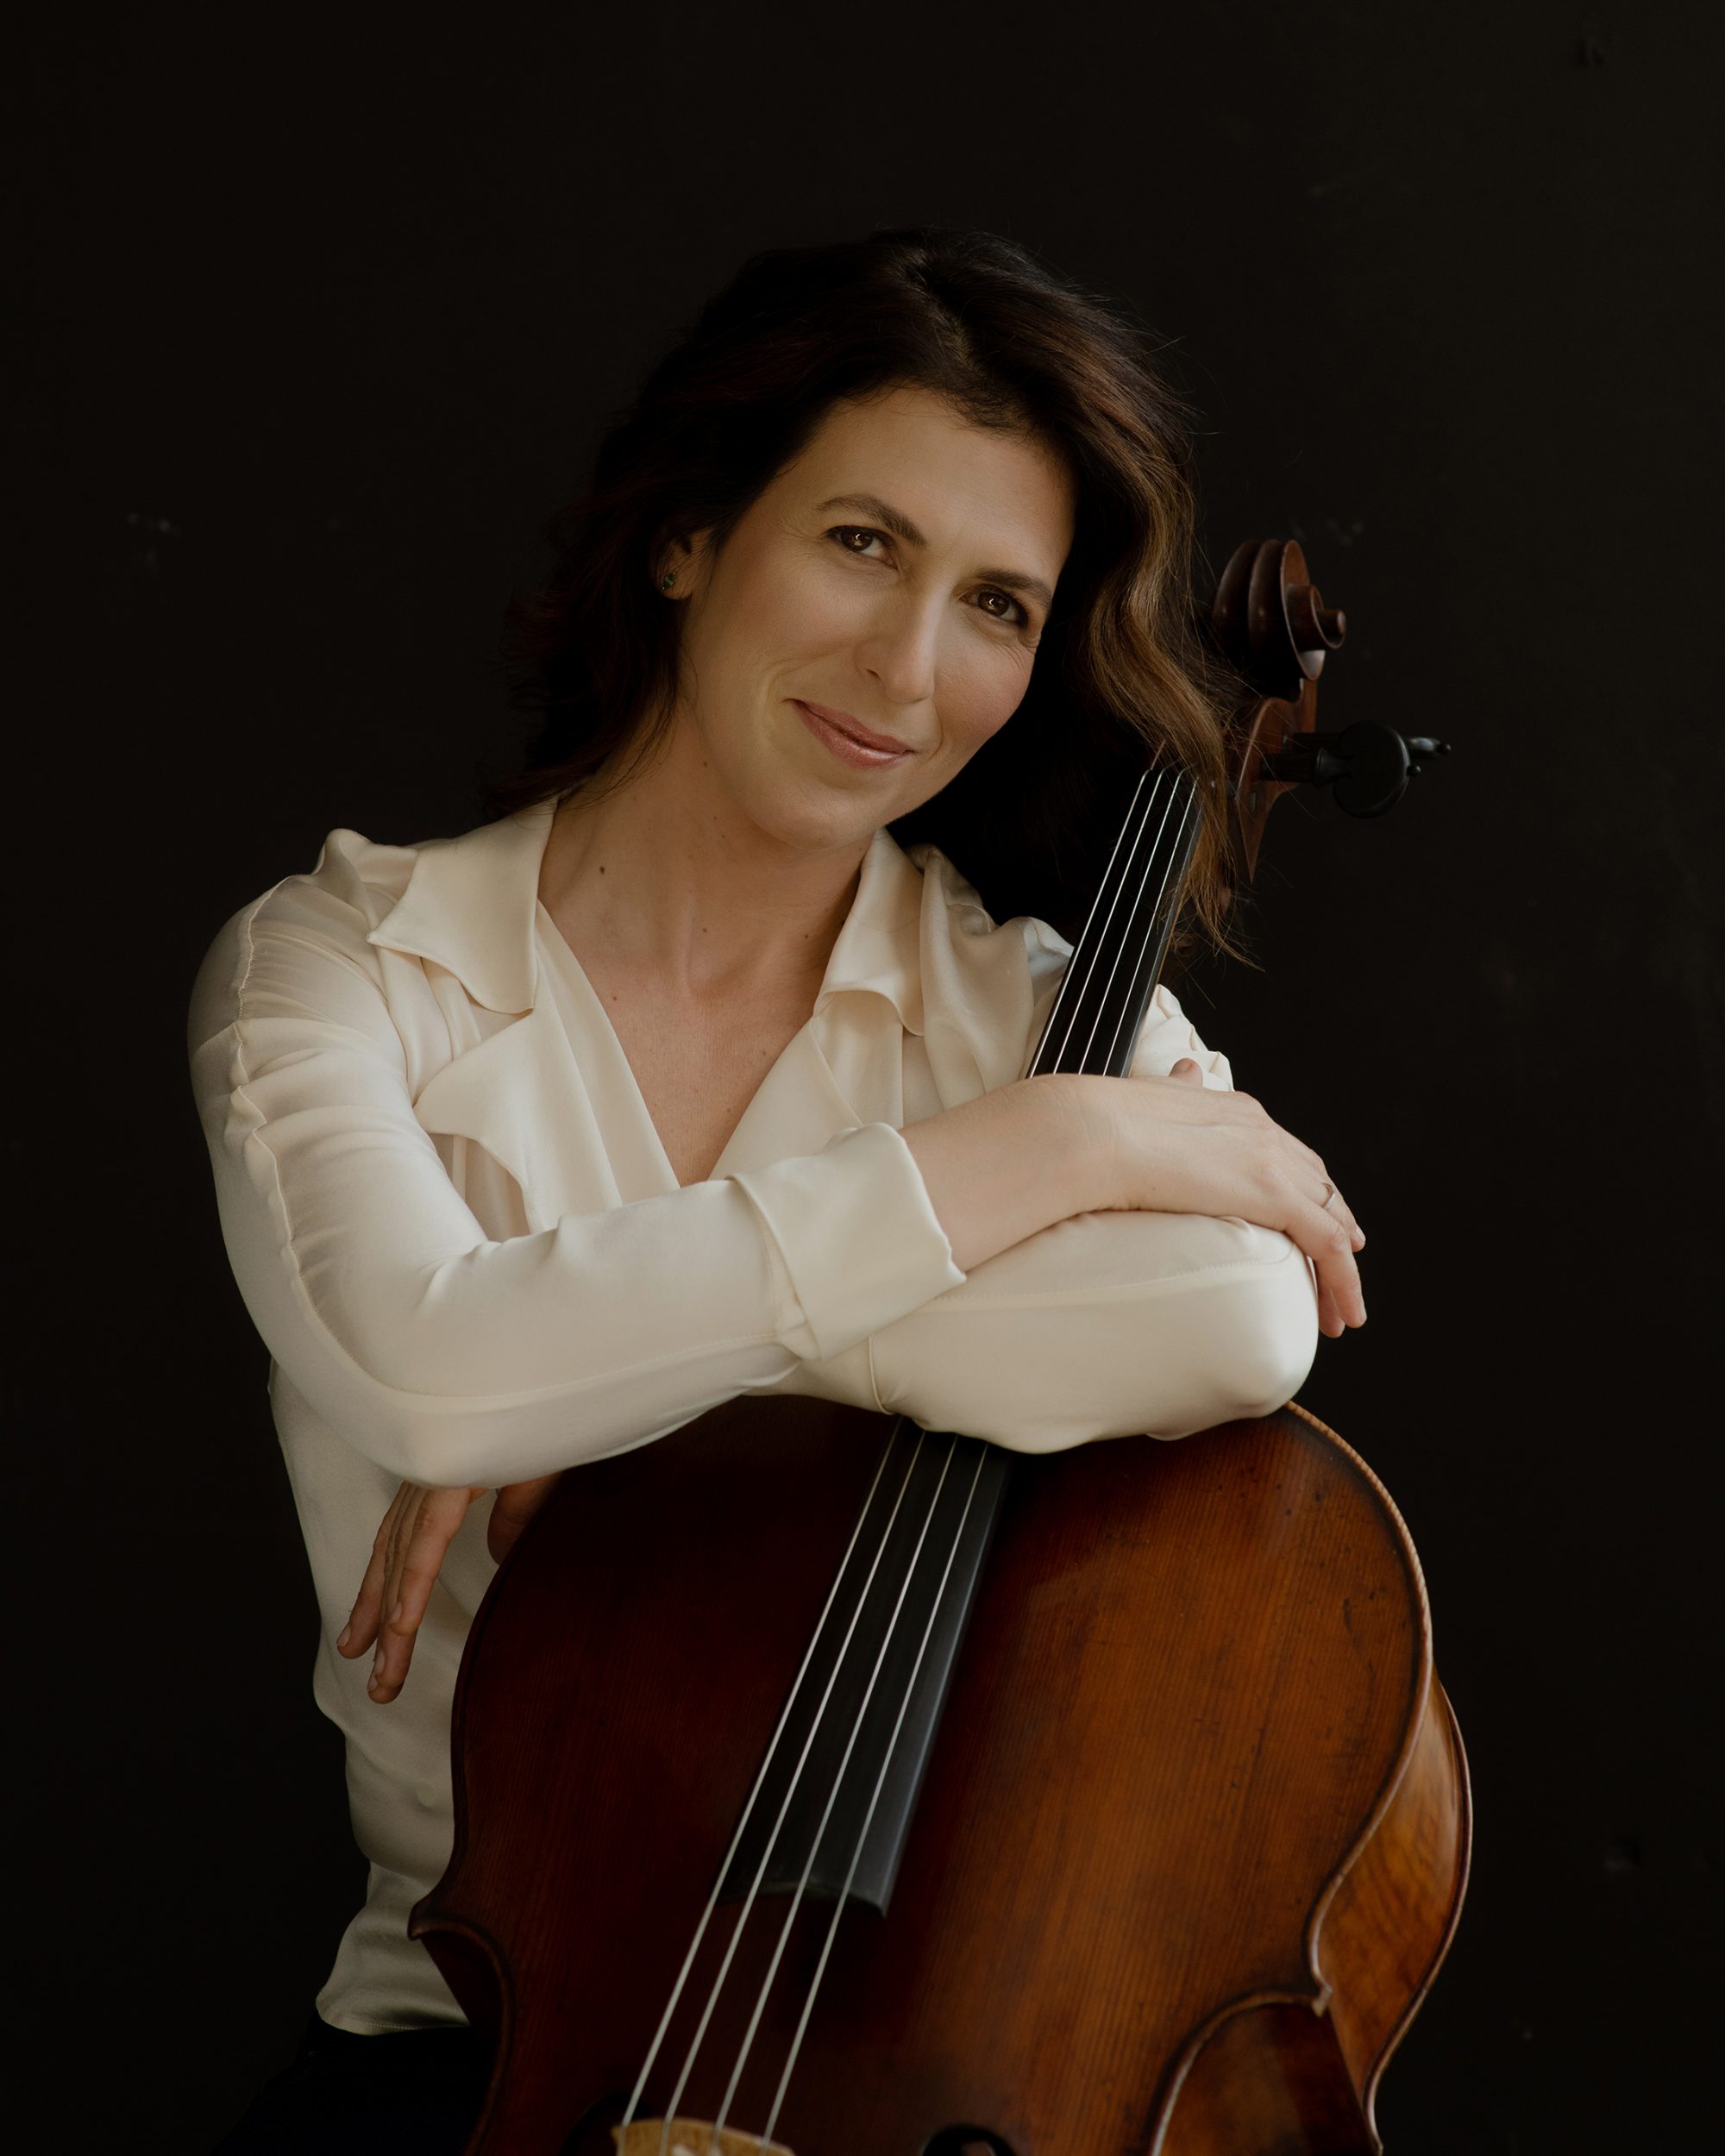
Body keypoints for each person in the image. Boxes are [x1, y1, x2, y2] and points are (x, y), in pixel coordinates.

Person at [190, 226, 1365, 2152]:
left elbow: (1240, 1317)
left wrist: (607, 1386)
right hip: (468, 2043)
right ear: (686, 535)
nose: (910, 668)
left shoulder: (1042, 1007)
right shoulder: (341, 970)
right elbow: (424, 1369)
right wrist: (1029, 1154)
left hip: (932, 2052)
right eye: (860, 543)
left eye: (997, 601)